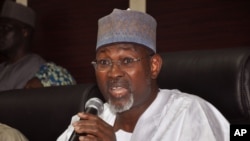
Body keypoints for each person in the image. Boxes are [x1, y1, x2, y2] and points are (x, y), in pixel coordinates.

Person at [57, 9, 229, 141]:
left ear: (153, 66)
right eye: (104, 62)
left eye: (127, 61)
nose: (113, 73)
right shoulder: (88, 124)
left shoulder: (189, 114)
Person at [0, 0, 45, 91]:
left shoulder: (35, 66)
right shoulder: (3, 67)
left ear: (25, 32)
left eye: (6, 28)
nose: (1, 33)